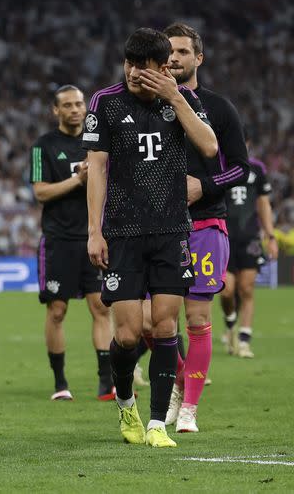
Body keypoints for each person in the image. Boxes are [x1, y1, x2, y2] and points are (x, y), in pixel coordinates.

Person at [83, 27, 217, 448]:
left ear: (163, 68)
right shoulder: (105, 103)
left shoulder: (181, 101)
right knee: (125, 335)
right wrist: (94, 231)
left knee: (164, 327)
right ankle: (126, 401)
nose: (136, 74)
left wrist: (176, 97)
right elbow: (97, 169)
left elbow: (210, 149)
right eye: (130, 65)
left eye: (145, 67)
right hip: (122, 232)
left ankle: (158, 424)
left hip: (172, 229)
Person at [154, 22, 250, 433]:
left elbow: (241, 169)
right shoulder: (144, 106)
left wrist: (204, 185)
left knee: (196, 320)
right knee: (146, 322)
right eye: (168, 51)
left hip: (205, 223)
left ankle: (189, 408)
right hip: (156, 226)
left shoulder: (219, 107)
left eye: (181, 51)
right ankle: (180, 377)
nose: (173, 57)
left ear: (198, 58)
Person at [29, 85, 112, 401]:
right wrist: (78, 179)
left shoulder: (99, 142)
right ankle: (60, 383)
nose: (76, 109)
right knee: (58, 311)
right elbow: (40, 193)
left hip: (95, 238)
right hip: (58, 240)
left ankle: (106, 382)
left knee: (100, 307)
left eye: (80, 104)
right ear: (56, 110)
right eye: (68, 105)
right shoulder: (43, 147)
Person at [220, 135, 277, 358]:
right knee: (226, 291)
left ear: (248, 145)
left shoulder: (257, 169)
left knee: (247, 288)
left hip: (250, 238)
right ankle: (230, 322)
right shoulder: (218, 167)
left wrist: (270, 236)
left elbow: (263, 203)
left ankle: (244, 339)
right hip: (224, 237)